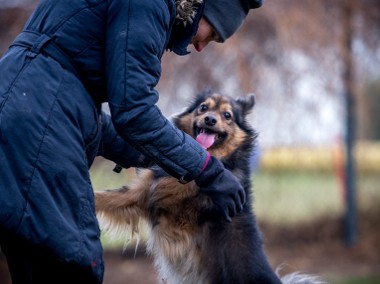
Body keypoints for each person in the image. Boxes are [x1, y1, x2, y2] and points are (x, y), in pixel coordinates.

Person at [0, 0, 263, 282]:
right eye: (210, 34)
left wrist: (160, 156)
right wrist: (208, 170)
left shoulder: (63, 66)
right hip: (35, 120)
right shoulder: (149, 3)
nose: (201, 46)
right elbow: (134, 112)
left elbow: (73, 99)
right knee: (70, 264)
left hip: (21, 106)